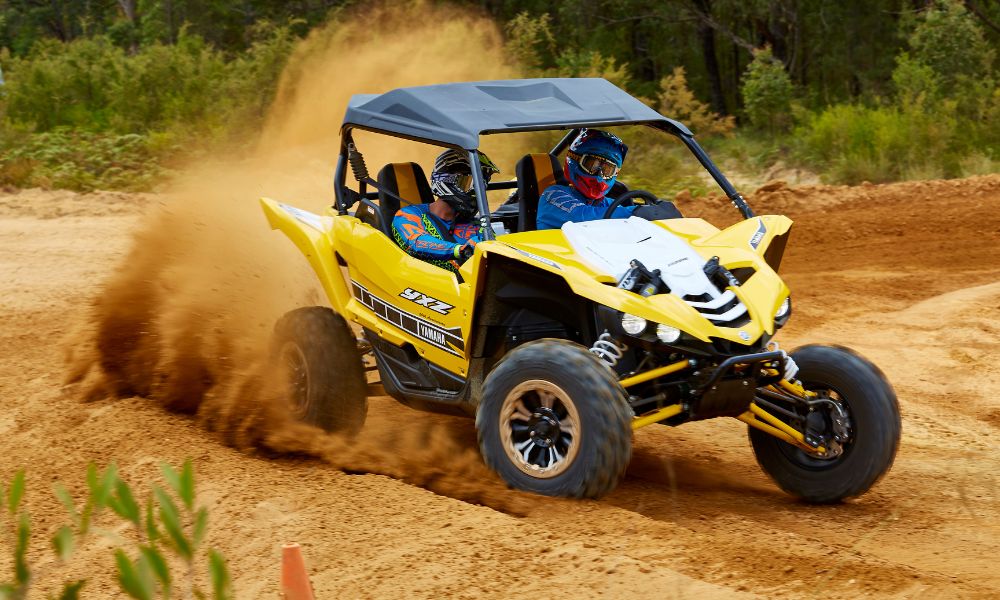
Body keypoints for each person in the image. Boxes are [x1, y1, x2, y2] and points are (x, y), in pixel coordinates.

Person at [392, 149, 499, 273]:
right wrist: (461, 250)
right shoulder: (408, 215)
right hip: (422, 285)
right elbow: (415, 243)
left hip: (467, 288)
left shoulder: (477, 224)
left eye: (480, 187)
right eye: (469, 184)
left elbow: (491, 245)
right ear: (446, 180)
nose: (475, 193)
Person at [535, 129, 633, 230]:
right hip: (555, 245)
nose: (599, 175)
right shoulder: (553, 195)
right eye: (592, 165)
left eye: (607, 170)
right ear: (574, 159)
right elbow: (580, 216)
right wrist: (634, 212)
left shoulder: (609, 203)